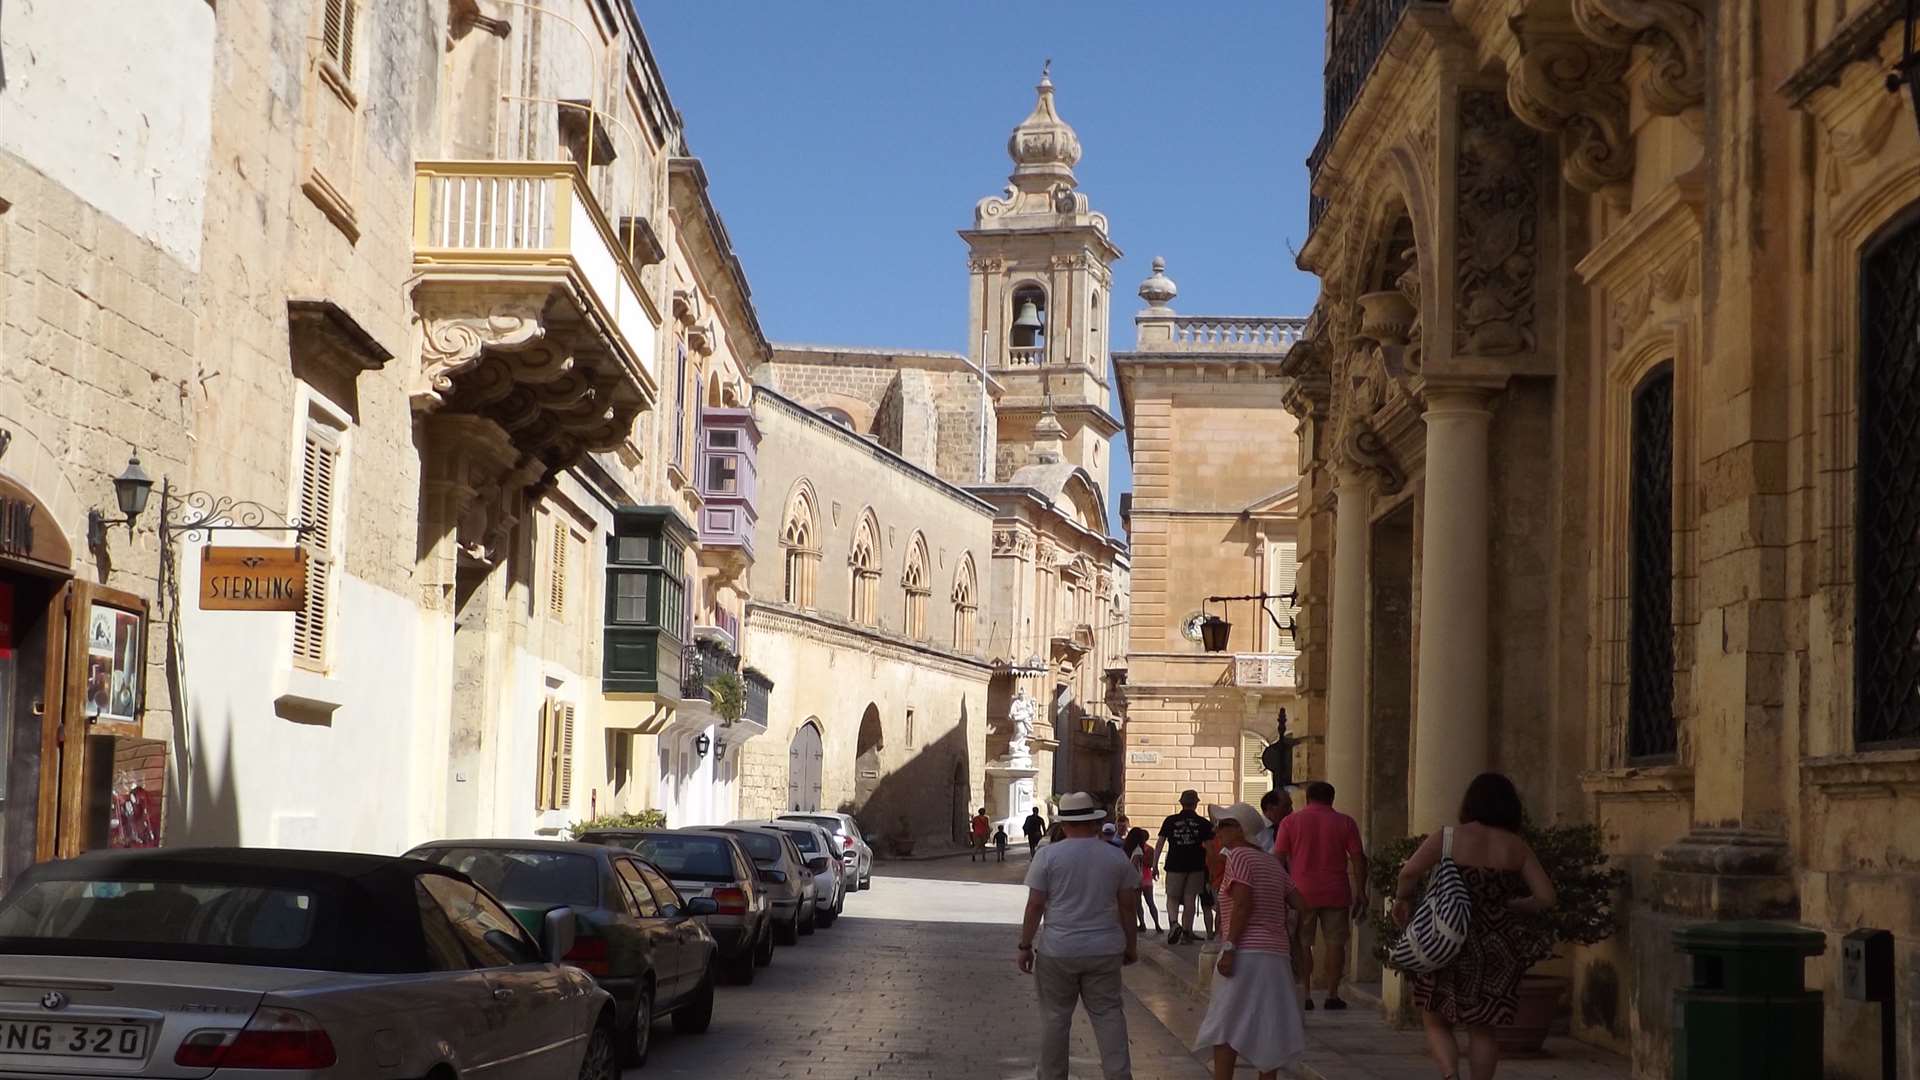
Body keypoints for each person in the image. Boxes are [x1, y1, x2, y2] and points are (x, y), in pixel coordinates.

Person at [1394, 773, 1555, 1080]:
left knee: (1436, 1018)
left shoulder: (1449, 837)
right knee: (1483, 1027)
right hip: (1497, 945)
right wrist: (1515, 905)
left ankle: (1451, 1075)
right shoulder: (1516, 847)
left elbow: (1409, 873)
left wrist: (1404, 900)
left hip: (1448, 939)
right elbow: (1546, 897)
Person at [1019, 791, 1139, 1080]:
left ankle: (1052, 1075)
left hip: (1058, 948)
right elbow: (1128, 906)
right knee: (1109, 1014)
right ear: (1094, 823)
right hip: (1105, 947)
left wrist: (1025, 945)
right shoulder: (1115, 857)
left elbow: (1036, 904)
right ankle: (1118, 1075)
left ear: (1063, 824)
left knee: (1055, 1018)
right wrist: (1130, 946)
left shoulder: (1048, 855)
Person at [1193, 803, 1307, 1080]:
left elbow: (1243, 903)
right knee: (1268, 1025)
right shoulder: (1271, 862)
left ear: (1240, 830)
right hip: (1275, 955)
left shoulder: (1239, 857)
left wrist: (1230, 947)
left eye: (1223, 825)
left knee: (1225, 1024)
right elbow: (1299, 903)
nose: (1217, 830)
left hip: (1245, 952)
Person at [1273, 781, 1368, 1010]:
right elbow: (1357, 858)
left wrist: (1279, 890)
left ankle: (1305, 994)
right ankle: (1332, 994)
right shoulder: (1345, 822)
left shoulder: (1290, 821)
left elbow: (1279, 857)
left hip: (1301, 891)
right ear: (1331, 799)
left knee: (1303, 944)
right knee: (1336, 943)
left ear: (1307, 799)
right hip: (1336, 890)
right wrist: (1362, 891)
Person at [1157, 789, 1214, 944]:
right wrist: (1213, 867)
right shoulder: (1204, 824)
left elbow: (1160, 843)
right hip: (1197, 866)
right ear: (1196, 804)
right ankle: (1187, 933)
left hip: (1174, 864)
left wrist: (1155, 864)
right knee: (1190, 899)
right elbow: (1210, 848)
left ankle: (1174, 923)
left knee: (1172, 897)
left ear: (1181, 803)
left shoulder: (1170, 821)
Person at [1123, 828, 1161, 932]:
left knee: (1138, 903)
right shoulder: (1148, 849)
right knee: (1150, 902)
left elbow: (1134, 864)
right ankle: (1157, 924)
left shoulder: (1131, 849)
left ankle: (1143, 923)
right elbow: (1150, 864)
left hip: (1138, 879)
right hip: (1146, 878)